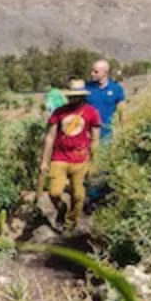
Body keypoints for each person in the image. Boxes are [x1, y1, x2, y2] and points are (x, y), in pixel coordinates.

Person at [38, 79, 103, 229]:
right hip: (59, 157)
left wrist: (94, 161)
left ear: (82, 96)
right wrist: (44, 161)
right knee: (54, 193)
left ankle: (70, 223)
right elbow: (50, 137)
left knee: (78, 195)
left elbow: (95, 139)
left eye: (77, 95)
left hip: (80, 159)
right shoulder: (59, 112)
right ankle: (61, 208)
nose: (73, 98)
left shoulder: (91, 112)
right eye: (71, 95)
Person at [84, 59, 127, 146]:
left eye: (96, 72)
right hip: (87, 135)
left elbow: (122, 112)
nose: (92, 74)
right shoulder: (86, 88)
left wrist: (124, 134)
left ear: (105, 73)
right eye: (92, 71)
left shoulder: (116, 89)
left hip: (107, 136)